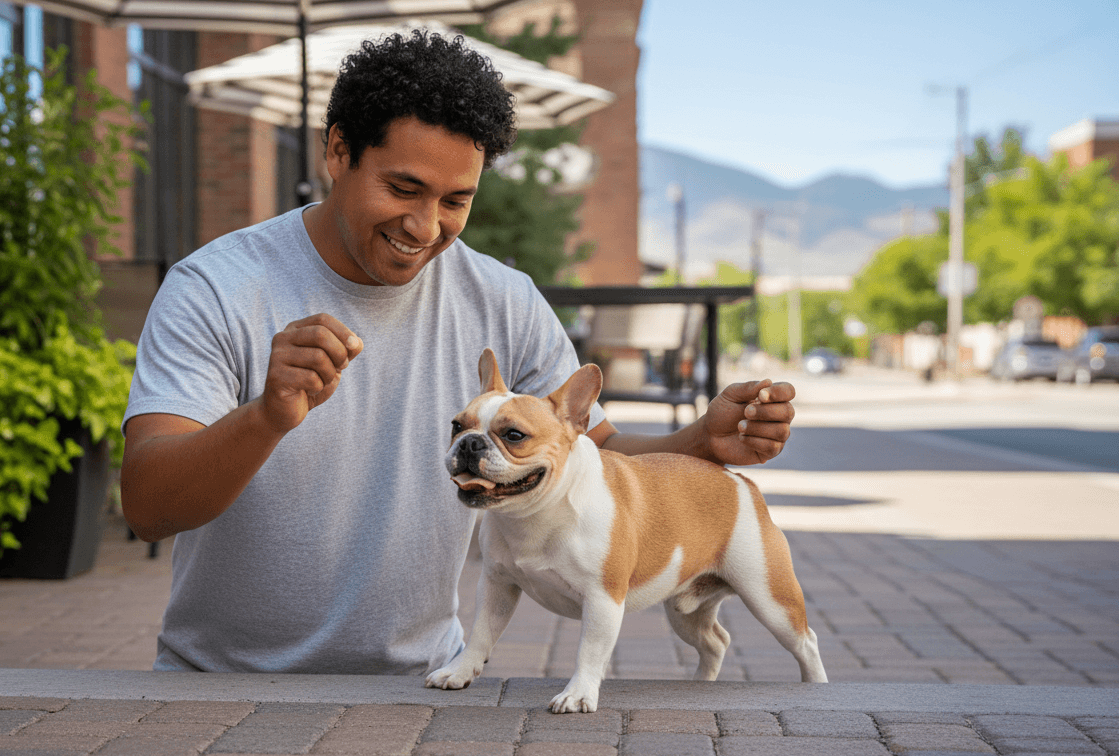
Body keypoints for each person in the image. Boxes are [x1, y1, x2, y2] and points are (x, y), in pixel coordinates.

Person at [121, 30, 796, 675]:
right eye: (403, 189)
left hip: (424, 683)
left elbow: (592, 457)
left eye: (455, 201)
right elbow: (149, 506)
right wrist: (266, 416)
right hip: (217, 685)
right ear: (336, 151)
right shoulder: (217, 286)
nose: (424, 227)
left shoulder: (503, 299)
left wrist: (702, 440)